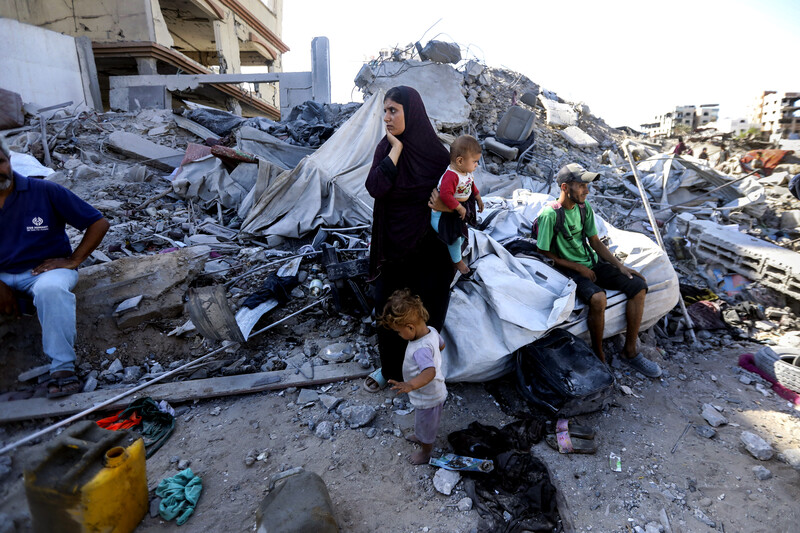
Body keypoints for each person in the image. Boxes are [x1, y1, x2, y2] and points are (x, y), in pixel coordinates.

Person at [0, 135, 110, 397]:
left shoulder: (44, 191)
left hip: (45, 272)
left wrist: (74, 260)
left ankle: (63, 369)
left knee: (51, 290)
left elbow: (99, 223)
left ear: (9, 160)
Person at [363, 86, 454, 392]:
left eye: (394, 111)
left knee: (426, 311)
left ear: (411, 112)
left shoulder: (437, 154)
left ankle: (423, 372)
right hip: (393, 246)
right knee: (388, 311)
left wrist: (446, 206)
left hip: (430, 250)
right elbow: (375, 187)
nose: (387, 117)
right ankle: (390, 371)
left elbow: (459, 197)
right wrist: (396, 150)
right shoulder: (384, 150)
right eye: (385, 111)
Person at [536, 163, 662, 378]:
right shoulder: (550, 215)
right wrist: (577, 267)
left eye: (587, 185)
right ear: (565, 187)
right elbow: (544, 252)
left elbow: (595, 242)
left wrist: (620, 266)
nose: (587, 190)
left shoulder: (584, 209)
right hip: (569, 269)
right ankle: (599, 354)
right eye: (582, 185)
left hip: (592, 262)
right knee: (598, 299)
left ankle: (630, 352)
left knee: (638, 286)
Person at [381, 289, 446, 465]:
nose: (399, 335)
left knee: (427, 427)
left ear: (410, 327)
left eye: (399, 332)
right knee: (422, 421)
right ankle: (420, 435)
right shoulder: (431, 330)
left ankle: (425, 452)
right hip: (426, 391)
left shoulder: (420, 348)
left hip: (429, 396)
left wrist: (410, 384)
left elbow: (429, 372)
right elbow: (442, 344)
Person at [431, 135, 484, 275]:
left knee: (461, 235)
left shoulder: (466, 172)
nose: (476, 165)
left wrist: (478, 197)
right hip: (442, 215)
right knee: (454, 237)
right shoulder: (452, 176)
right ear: (460, 161)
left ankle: (455, 253)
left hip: (454, 211)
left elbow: (471, 185)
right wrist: (459, 207)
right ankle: (457, 262)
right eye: (475, 161)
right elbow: (445, 195)